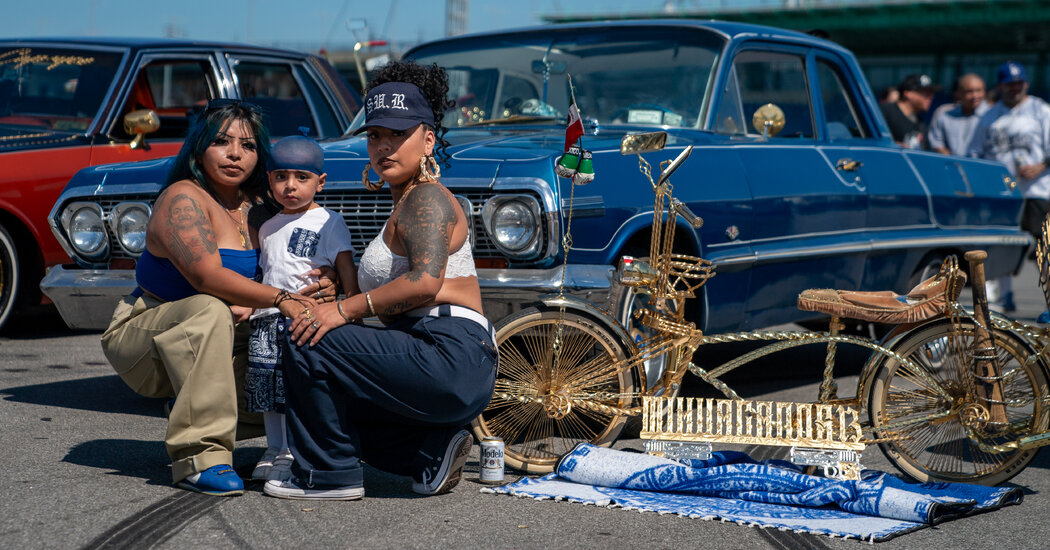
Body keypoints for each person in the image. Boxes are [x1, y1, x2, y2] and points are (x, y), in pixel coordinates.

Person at [263, 60, 497, 501]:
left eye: (398, 133)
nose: (384, 146)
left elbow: (424, 284)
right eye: (375, 135)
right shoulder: (406, 201)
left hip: (448, 351)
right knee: (334, 393)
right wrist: (340, 289)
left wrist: (341, 309)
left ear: (428, 140)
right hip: (435, 351)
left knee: (303, 335)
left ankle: (328, 475)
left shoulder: (426, 198)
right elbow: (395, 295)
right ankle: (429, 450)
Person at [100, 101, 336, 496]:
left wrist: (326, 280)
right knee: (209, 309)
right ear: (198, 147)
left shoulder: (263, 206)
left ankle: (319, 443)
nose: (235, 154)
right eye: (221, 142)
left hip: (226, 339)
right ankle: (201, 457)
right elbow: (207, 276)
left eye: (248, 145)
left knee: (306, 339)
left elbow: (295, 264)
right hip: (149, 334)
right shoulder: (182, 198)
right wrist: (280, 297)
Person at [247, 135, 360, 482]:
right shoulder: (267, 227)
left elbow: (345, 268)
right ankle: (273, 448)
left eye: (301, 177)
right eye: (281, 177)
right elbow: (265, 272)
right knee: (267, 388)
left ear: (320, 182)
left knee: (296, 388)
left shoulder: (329, 221)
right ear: (269, 180)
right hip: (265, 319)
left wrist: (351, 303)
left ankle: (291, 451)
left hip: (306, 320)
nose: (290, 186)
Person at [970, 61, 1050, 312]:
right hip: (1002, 194)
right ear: (1000, 86)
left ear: (1026, 83)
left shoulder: (1040, 110)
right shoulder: (989, 116)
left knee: (1044, 248)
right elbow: (975, 152)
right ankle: (1003, 298)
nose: (1015, 88)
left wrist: (1041, 165)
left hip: (1035, 190)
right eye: (1010, 84)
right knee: (1000, 245)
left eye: (1019, 83)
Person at [928, 73, 988, 156]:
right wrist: (953, 159)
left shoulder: (992, 116)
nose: (975, 96)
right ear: (959, 93)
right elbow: (936, 143)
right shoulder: (945, 115)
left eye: (978, 90)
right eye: (969, 91)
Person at [880, 73, 938, 148]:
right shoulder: (886, 111)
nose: (931, 97)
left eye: (931, 93)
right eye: (925, 92)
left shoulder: (921, 124)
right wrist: (891, 146)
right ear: (908, 93)